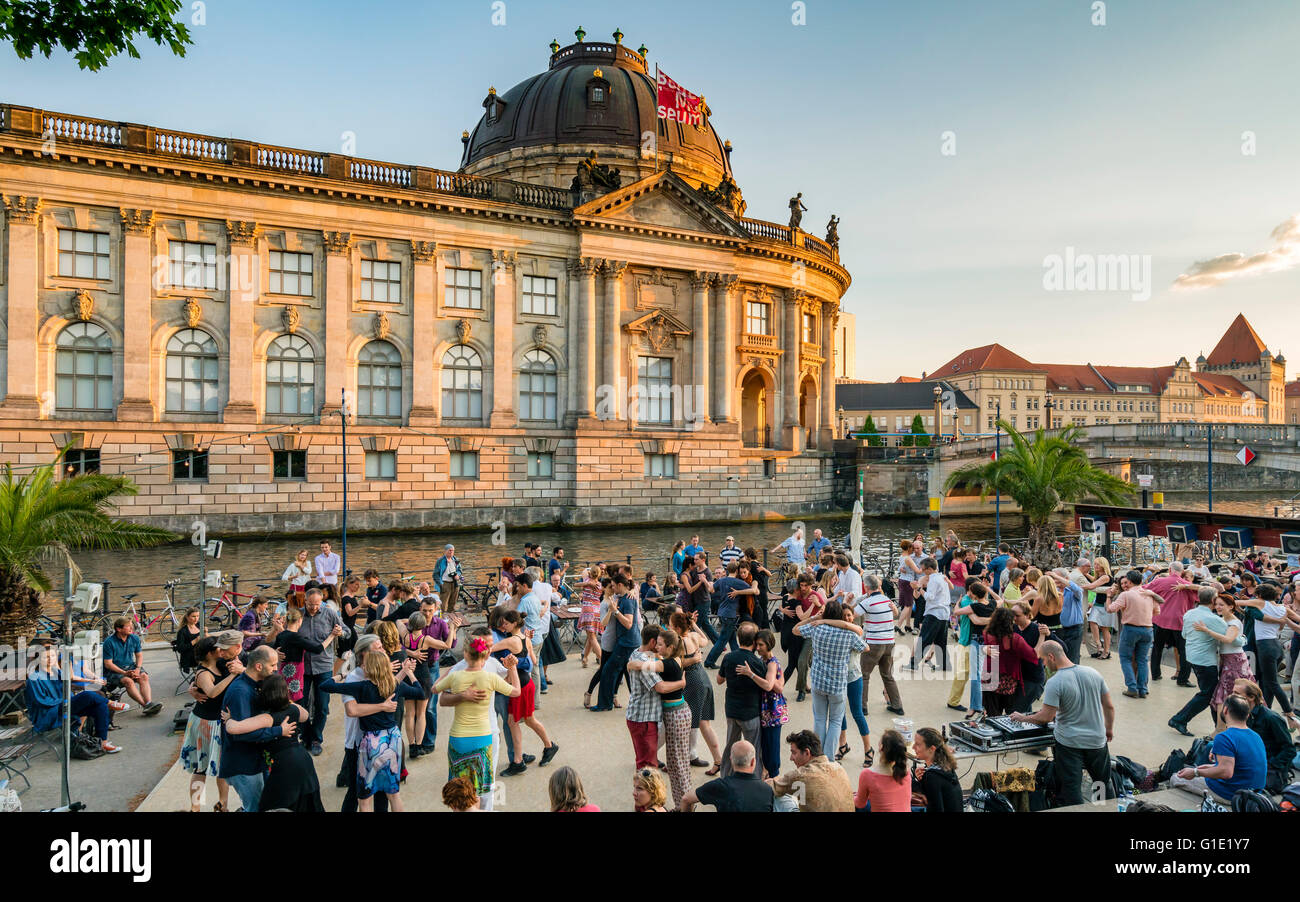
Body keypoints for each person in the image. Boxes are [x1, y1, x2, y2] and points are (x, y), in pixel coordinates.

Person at [1011, 640, 1114, 807]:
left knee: (1071, 788)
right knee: (1101, 781)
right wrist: (1108, 729)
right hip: (1097, 741)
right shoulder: (1094, 673)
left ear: (1051, 657)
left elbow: (1045, 716)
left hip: (1070, 744)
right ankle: (1105, 809)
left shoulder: (1055, 682)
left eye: (1043, 660)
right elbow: (1109, 706)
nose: (1043, 665)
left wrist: (1023, 718)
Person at [324, 648, 424, 812]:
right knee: (393, 793)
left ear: (368, 668)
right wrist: (409, 673)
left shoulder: (361, 687)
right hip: (393, 739)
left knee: (365, 798)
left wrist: (342, 674)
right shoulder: (394, 685)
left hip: (372, 742)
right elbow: (420, 692)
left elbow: (325, 685)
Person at [222, 673, 323, 812]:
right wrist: (287, 701)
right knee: (306, 804)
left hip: (285, 765)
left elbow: (233, 729)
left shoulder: (267, 718)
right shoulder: (293, 709)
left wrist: (229, 718)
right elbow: (305, 716)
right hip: (303, 759)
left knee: (270, 805)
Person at [793, 599, 866, 759]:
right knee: (835, 722)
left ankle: (817, 756)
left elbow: (795, 630)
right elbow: (864, 646)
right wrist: (843, 625)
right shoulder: (848, 634)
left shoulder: (817, 629)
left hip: (818, 682)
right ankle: (829, 758)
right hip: (837, 684)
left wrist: (815, 618)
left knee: (819, 719)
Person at [26, 641, 127, 755]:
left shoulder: (56, 672)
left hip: (64, 707)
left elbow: (69, 686)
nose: (50, 659)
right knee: (87, 694)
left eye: (53, 656)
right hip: (48, 713)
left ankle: (102, 742)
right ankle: (110, 702)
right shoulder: (34, 678)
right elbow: (42, 701)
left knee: (100, 706)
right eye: (46, 657)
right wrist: (68, 701)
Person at [219, 644, 288, 812]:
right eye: (272, 665)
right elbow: (242, 735)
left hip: (255, 761)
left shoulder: (256, 684)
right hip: (243, 765)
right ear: (259, 666)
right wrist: (278, 731)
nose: (276, 669)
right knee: (255, 808)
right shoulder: (240, 692)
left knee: (261, 805)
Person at [491, 608, 559, 776]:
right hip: (526, 684)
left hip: (520, 686)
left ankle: (518, 761)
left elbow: (488, 648)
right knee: (528, 720)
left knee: (513, 722)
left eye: (506, 623)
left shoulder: (511, 640)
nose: (504, 626)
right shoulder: (525, 638)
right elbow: (534, 661)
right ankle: (549, 746)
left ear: (514, 623)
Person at [1171, 694, 1267, 803]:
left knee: (1176, 778)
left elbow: (1226, 772)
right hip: (1254, 794)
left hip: (1232, 795)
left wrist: (1195, 772)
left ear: (1225, 710)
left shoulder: (1224, 737)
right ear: (1247, 715)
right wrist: (1209, 767)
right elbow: (1240, 765)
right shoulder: (1256, 736)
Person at [180, 635, 239, 810]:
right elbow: (212, 692)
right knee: (201, 768)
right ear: (210, 653)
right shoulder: (203, 672)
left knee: (222, 767)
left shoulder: (220, 664)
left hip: (219, 722)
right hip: (205, 724)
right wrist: (233, 676)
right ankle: (195, 806)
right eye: (218, 648)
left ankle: (223, 804)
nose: (222, 650)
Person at [624, 624, 686, 770]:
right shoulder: (645, 662)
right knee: (647, 766)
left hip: (638, 716)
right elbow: (661, 687)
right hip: (644, 720)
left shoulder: (636, 652)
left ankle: (644, 789)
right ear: (652, 642)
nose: (659, 648)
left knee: (645, 760)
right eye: (658, 644)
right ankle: (646, 791)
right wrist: (681, 683)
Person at [670, 609, 723, 773]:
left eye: (671, 626)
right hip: (703, 678)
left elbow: (676, 664)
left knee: (690, 722)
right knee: (703, 722)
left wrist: (690, 659)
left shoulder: (680, 641)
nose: (669, 628)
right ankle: (717, 759)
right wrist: (694, 625)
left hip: (692, 681)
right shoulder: (692, 636)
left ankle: (686, 758)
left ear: (678, 629)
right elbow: (705, 640)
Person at [1169, 586, 1226, 737]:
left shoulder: (1189, 613)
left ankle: (1218, 726)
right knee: (1209, 693)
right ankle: (1180, 719)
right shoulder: (1213, 619)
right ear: (1214, 600)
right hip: (1205, 660)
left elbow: (1185, 634)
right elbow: (1230, 637)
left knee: (1210, 692)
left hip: (1193, 656)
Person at [297, 587, 347, 756]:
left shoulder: (330, 614)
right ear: (305, 601)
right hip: (302, 666)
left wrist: (340, 632)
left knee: (322, 705)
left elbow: (347, 632)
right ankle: (305, 736)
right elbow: (287, 633)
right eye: (311, 604)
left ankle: (316, 738)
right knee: (300, 704)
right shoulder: (297, 614)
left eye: (317, 604)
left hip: (324, 666)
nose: (314, 608)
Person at [717, 622, 767, 777]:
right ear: (754, 641)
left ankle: (726, 776)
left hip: (732, 710)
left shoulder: (729, 657)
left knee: (730, 746)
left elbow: (719, 680)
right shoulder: (757, 662)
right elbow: (766, 685)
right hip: (750, 711)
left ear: (738, 638)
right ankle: (754, 779)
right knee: (753, 749)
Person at [1194, 595, 1254, 724]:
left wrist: (1206, 630)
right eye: (1216, 604)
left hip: (1235, 660)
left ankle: (1221, 728)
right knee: (1228, 692)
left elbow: (1228, 639)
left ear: (1231, 606)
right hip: (1226, 659)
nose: (1217, 607)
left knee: (1231, 692)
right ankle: (1224, 726)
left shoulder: (1234, 622)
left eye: (1221, 605)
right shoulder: (1222, 620)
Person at [1103, 570, 1162, 698]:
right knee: (1142, 660)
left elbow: (1110, 609)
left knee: (1125, 658)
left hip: (1130, 629)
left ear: (1129, 582)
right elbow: (1157, 612)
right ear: (1141, 581)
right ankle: (1143, 688)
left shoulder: (1126, 595)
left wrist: (1108, 597)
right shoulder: (1149, 594)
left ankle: (1132, 687)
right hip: (1147, 629)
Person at [982, 605, 1048, 715]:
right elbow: (1035, 655)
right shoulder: (1014, 639)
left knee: (992, 715)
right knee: (1011, 715)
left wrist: (984, 649)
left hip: (989, 679)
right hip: (1006, 681)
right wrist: (1042, 636)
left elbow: (985, 648)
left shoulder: (987, 634)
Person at [740, 628, 788, 779]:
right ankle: (769, 775)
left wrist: (750, 674)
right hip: (766, 708)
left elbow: (768, 685)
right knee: (765, 747)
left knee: (771, 749)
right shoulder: (763, 661)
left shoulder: (771, 663)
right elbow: (778, 684)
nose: (758, 648)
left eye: (761, 645)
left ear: (769, 644)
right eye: (756, 645)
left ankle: (775, 779)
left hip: (772, 710)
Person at [854, 573, 904, 716]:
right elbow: (895, 614)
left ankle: (862, 707)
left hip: (874, 643)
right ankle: (897, 705)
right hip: (889, 642)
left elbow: (852, 615)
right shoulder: (886, 599)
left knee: (864, 675)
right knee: (887, 675)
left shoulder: (867, 602)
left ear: (866, 586)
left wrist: (849, 601)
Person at [769, 729, 854, 812]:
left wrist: (774, 780)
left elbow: (769, 787)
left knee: (780, 797)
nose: (791, 758)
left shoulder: (800, 775)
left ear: (807, 752)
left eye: (794, 753)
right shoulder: (839, 768)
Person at [1234, 679, 1295, 793]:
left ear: (1251, 697)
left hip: (1266, 767)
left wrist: (1270, 764)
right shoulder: (1243, 713)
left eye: (1236, 693)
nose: (1232, 696)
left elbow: (1290, 750)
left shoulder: (1271, 718)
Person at [678, 739, 775, 812]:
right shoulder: (768, 790)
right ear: (753, 761)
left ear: (731, 760)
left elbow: (686, 799)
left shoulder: (720, 786)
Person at [1252, 583, 1300, 728]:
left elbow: (1240, 602)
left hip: (1267, 647)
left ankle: (1290, 714)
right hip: (1276, 647)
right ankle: (1266, 711)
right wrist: (1283, 619)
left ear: (1260, 596)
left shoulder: (1261, 604)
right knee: (1268, 683)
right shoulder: (1282, 608)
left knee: (1272, 682)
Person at [1147, 562, 1201, 684]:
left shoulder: (1160, 581)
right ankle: (1182, 679)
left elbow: (1143, 589)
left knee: (1157, 648)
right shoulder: (1186, 585)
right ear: (1182, 572)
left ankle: (1155, 674)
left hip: (1160, 619)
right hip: (1179, 621)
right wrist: (1187, 586)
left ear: (1170, 569)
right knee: (1184, 651)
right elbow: (1206, 592)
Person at [593, 573, 640, 711]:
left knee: (608, 671)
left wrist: (615, 612)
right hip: (627, 641)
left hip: (627, 642)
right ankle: (634, 704)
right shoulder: (624, 597)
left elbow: (629, 623)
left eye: (613, 586)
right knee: (629, 673)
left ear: (620, 585)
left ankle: (604, 704)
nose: (612, 588)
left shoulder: (627, 600)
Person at [949, 579, 995, 714]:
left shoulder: (974, 601)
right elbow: (975, 620)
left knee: (974, 673)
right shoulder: (967, 602)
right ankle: (954, 701)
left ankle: (973, 703)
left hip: (973, 641)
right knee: (964, 673)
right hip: (967, 641)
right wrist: (995, 619)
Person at [101, 618, 162, 716]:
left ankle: (149, 703)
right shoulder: (109, 642)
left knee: (144, 677)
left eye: (131, 625)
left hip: (131, 666)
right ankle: (145, 706)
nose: (131, 628)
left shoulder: (134, 638)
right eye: (128, 626)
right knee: (128, 681)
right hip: (113, 671)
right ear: (119, 629)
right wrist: (124, 673)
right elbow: (108, 664)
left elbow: (139, 655)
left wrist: (137, 669)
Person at [907, 557, 951, 673]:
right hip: (944, 613)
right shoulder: (942, 577)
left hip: (934, 613)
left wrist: (918, 588)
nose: (922, 571)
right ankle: (944, 665)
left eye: (924, 569)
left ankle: (913, 664)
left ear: (930, 569)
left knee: (924, 639)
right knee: (941, 641)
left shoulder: (934, 580)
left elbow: (929, 597)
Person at [703, 562, 750, 667]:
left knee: (732, 639)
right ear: (737, 571)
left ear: (727, 571)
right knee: (722, 640)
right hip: (730, 614)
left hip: (722, 612)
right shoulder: (738, 582)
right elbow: (751, 590)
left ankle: (739, 661)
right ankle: (709, 662)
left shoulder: (721, 580)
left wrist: (705, 581)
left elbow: (711, 590)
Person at [855, 729, 912, 812]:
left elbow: (859, 804)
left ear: (881, 747)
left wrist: (848, 797)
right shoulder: (906, 771)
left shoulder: (867, 774)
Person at [911, 727, 962, 812]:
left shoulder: (932, 777)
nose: (913, 747)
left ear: (932, 749)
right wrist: (921, 781)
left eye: (918, 744)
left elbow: (935, 808)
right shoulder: (946, 766)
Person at [1010, 602, 1048, 712]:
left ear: (1027, 615)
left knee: (1016, 711)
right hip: (1017, 678)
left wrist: (1045, 635)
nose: (1014, 618)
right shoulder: (1013, 628)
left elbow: (1035, 656)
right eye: (1012, 614)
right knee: (1023, 712)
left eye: (1017, 615)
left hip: (1033, 680)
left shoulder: (1038, 630)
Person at [895, 539, 922, 634]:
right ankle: (898, 626)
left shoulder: (901, 556)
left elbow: (901, 567)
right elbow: (918, 571)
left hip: (902, 580)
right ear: (909, 548)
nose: (913, 550)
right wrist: (927, 562)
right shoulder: (908, 559)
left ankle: (908, 625)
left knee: (909, 604)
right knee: (908, 605)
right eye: (912, 548)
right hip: (908, 582)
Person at [579, 567, 604, 668]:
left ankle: (603, 661)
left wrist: (588, 575)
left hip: (588, 609)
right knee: (591, 635)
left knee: (592, 637)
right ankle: (585, 658)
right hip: (597, 610)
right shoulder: (600, 585)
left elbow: (584, 571)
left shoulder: (587, 581)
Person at [433, 544, 462, 613]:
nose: (451, 552)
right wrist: (440, 584)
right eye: (449, 550)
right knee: (443, 604)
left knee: (453, 603)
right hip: (445, 583)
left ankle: (451, 618)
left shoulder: (455, 559)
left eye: (452, 550)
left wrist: (458, 575)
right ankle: (443, 619)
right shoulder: (440, 561)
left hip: (455, 583)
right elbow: (435, 574)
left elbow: (459, 570)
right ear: (445, 551)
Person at [174, 607, 201, 672]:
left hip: (200, 654)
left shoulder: (199, 625)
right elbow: (180, 649)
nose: (196, 618)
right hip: (189, 657)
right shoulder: (182, 631)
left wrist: (206, 633)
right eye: (193, 616)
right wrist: (194, 641)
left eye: (197, 616)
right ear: (187, 617)